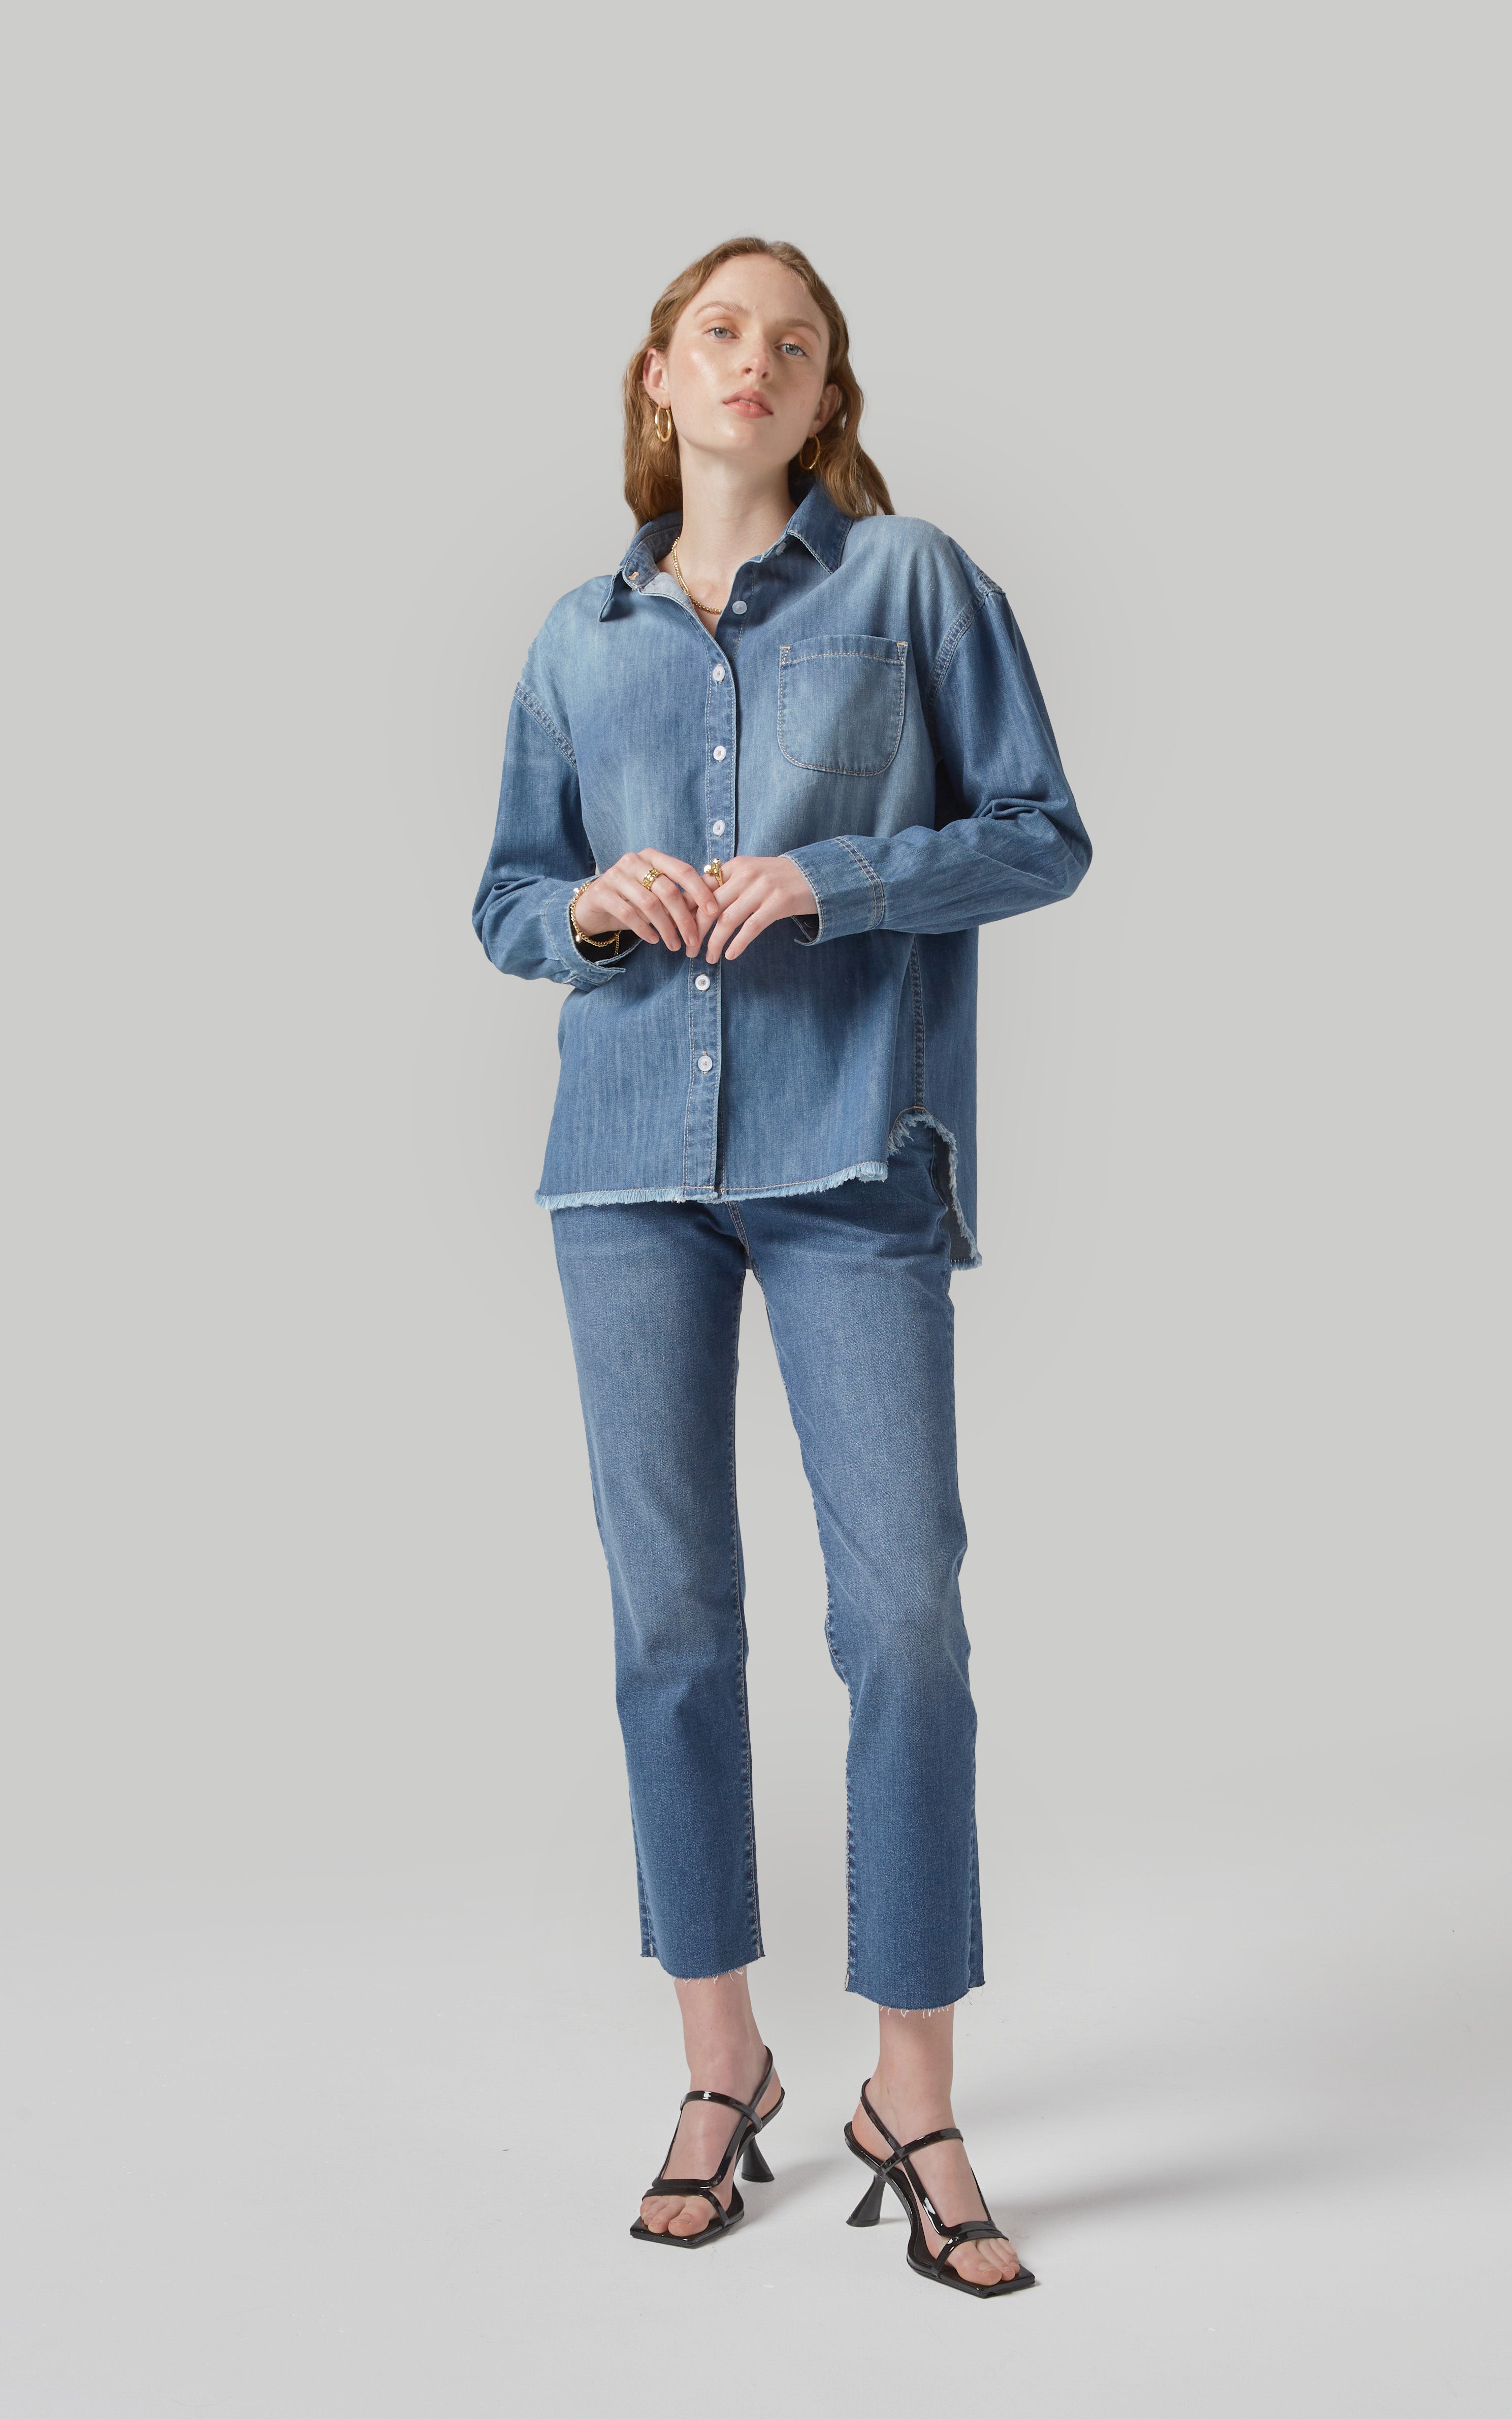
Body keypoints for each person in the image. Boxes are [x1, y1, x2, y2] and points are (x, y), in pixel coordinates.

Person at [471, 236, 1090, 2298]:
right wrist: (592, 906)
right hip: (623, 1166)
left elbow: (1041, 831)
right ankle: (719, 2065)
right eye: (722, 332)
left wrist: (833, 877)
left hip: (849, 1151)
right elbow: (504, 898)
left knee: (901, 1613)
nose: (756, 361)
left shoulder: (913, 585)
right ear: (661, 373)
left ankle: (912, 2094)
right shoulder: (574, 638)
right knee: (670, 1620)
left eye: (795, 343)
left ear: (828, 397)